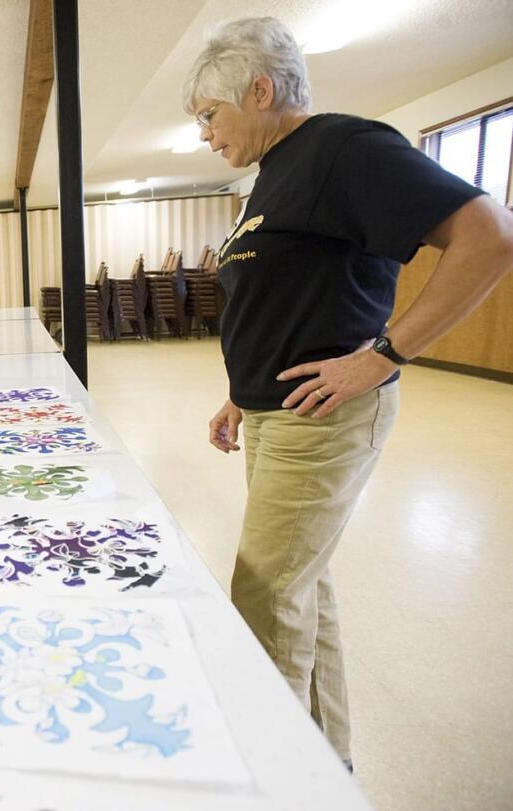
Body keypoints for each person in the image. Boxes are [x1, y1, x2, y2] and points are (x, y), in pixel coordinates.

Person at [183, 17, 513, 766]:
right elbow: (285, 295)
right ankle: (329, 763)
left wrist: (384, 355)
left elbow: (491, 234)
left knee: (265, 596)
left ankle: (277, 773)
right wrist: (241, 390)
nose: (204, 134)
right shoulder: (275, 173)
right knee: (305, 588)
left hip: (322, 419)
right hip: (272, 413)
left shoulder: (342, 148)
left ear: (259, 90)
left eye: (209, 114)